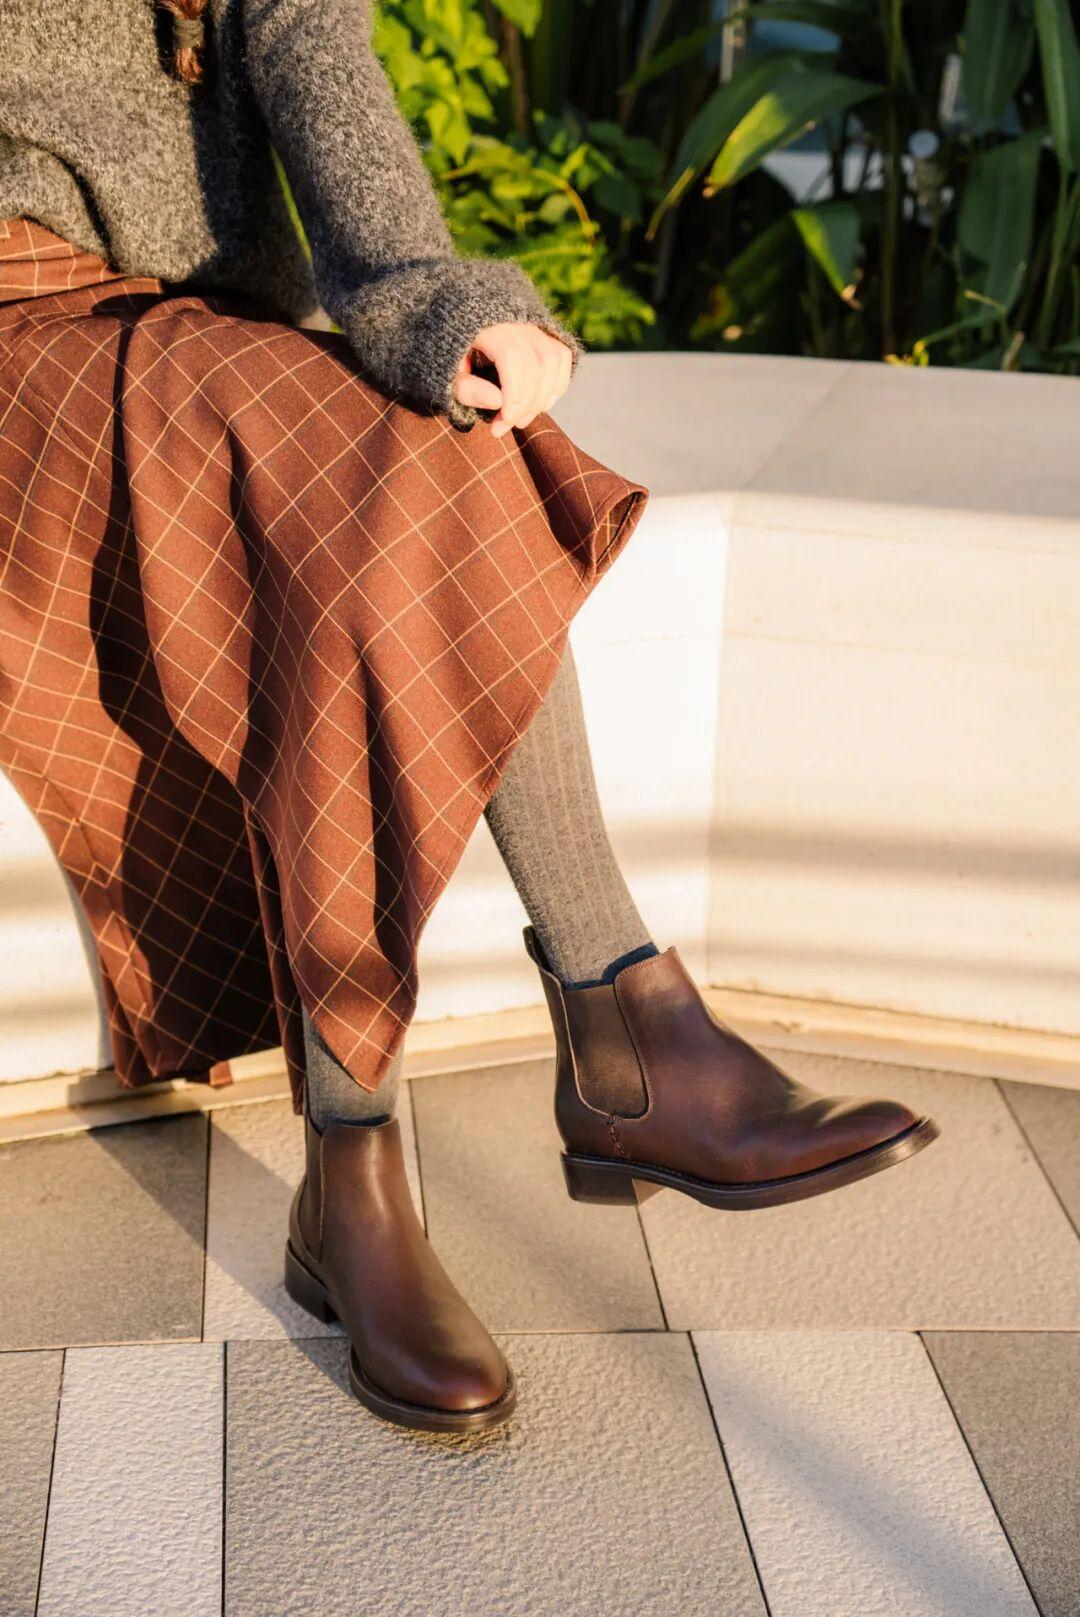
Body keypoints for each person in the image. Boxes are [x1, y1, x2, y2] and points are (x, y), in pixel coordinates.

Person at [0, 0, 938, 1435]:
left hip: (201, 332)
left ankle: (464, 1110)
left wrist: (436, 301)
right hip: (23, 331)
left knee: (434, 438)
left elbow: (307, 41)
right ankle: (528, 1083)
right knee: (343, 466)